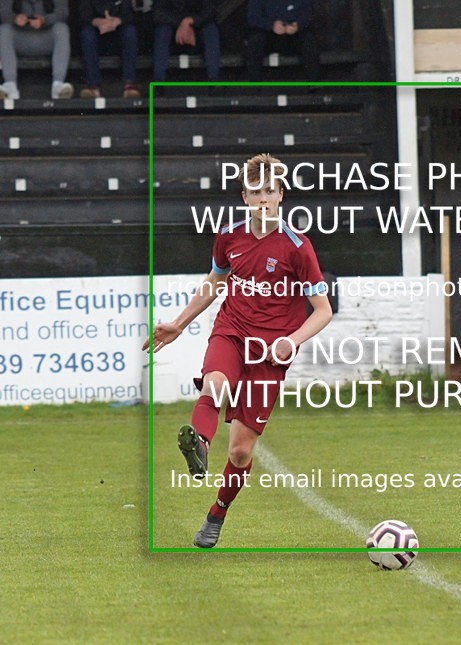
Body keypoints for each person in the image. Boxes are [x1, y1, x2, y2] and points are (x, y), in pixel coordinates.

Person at [142, 153, 333, 548]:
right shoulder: (229, 236)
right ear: (244, 197)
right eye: (256, 191)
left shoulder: (298, 248)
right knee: (214, 384)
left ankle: (216, 515)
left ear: (281, 195)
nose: (264, 198)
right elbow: (214, 282)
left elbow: (323, 310)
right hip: (231, 330)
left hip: (271, 354)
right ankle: (199, 444)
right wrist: (178, 324)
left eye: (270, 190)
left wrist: (292, 340)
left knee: (243, 452)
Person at [0, 0, 73, 100]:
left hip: (46, 38)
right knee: (4, 29)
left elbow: (63, 12)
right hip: (21, 39)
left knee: (61, 28)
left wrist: (45, 20)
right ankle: (10, 84)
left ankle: (58, 85)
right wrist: (15, 18)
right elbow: (3, 11)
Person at [245, 0, 320, 82]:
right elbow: (253, 17)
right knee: (255, 40)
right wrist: (271, 25)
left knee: (308, 39)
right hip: (268, 37)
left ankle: (314, 82)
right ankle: (253, 83)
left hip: (293, 37)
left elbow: (308, 15)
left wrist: (297, 25)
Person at [79, 0, 140, 98]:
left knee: (130, 32)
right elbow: (83, 15)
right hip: (97, 34)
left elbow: (130, 14)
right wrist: (99, 22)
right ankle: (93, 86)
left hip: (118, 34)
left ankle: (129, 85)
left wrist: (116, 21)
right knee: (87, 34)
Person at [151, 0, 220, 84]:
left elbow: (211, 11)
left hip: (195, 38)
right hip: (173, 39)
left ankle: (214, 81)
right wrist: (182, 24)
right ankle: (158, 82)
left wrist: (191, 21)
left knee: (210, 29)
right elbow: (157, 14)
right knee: (162, 30)